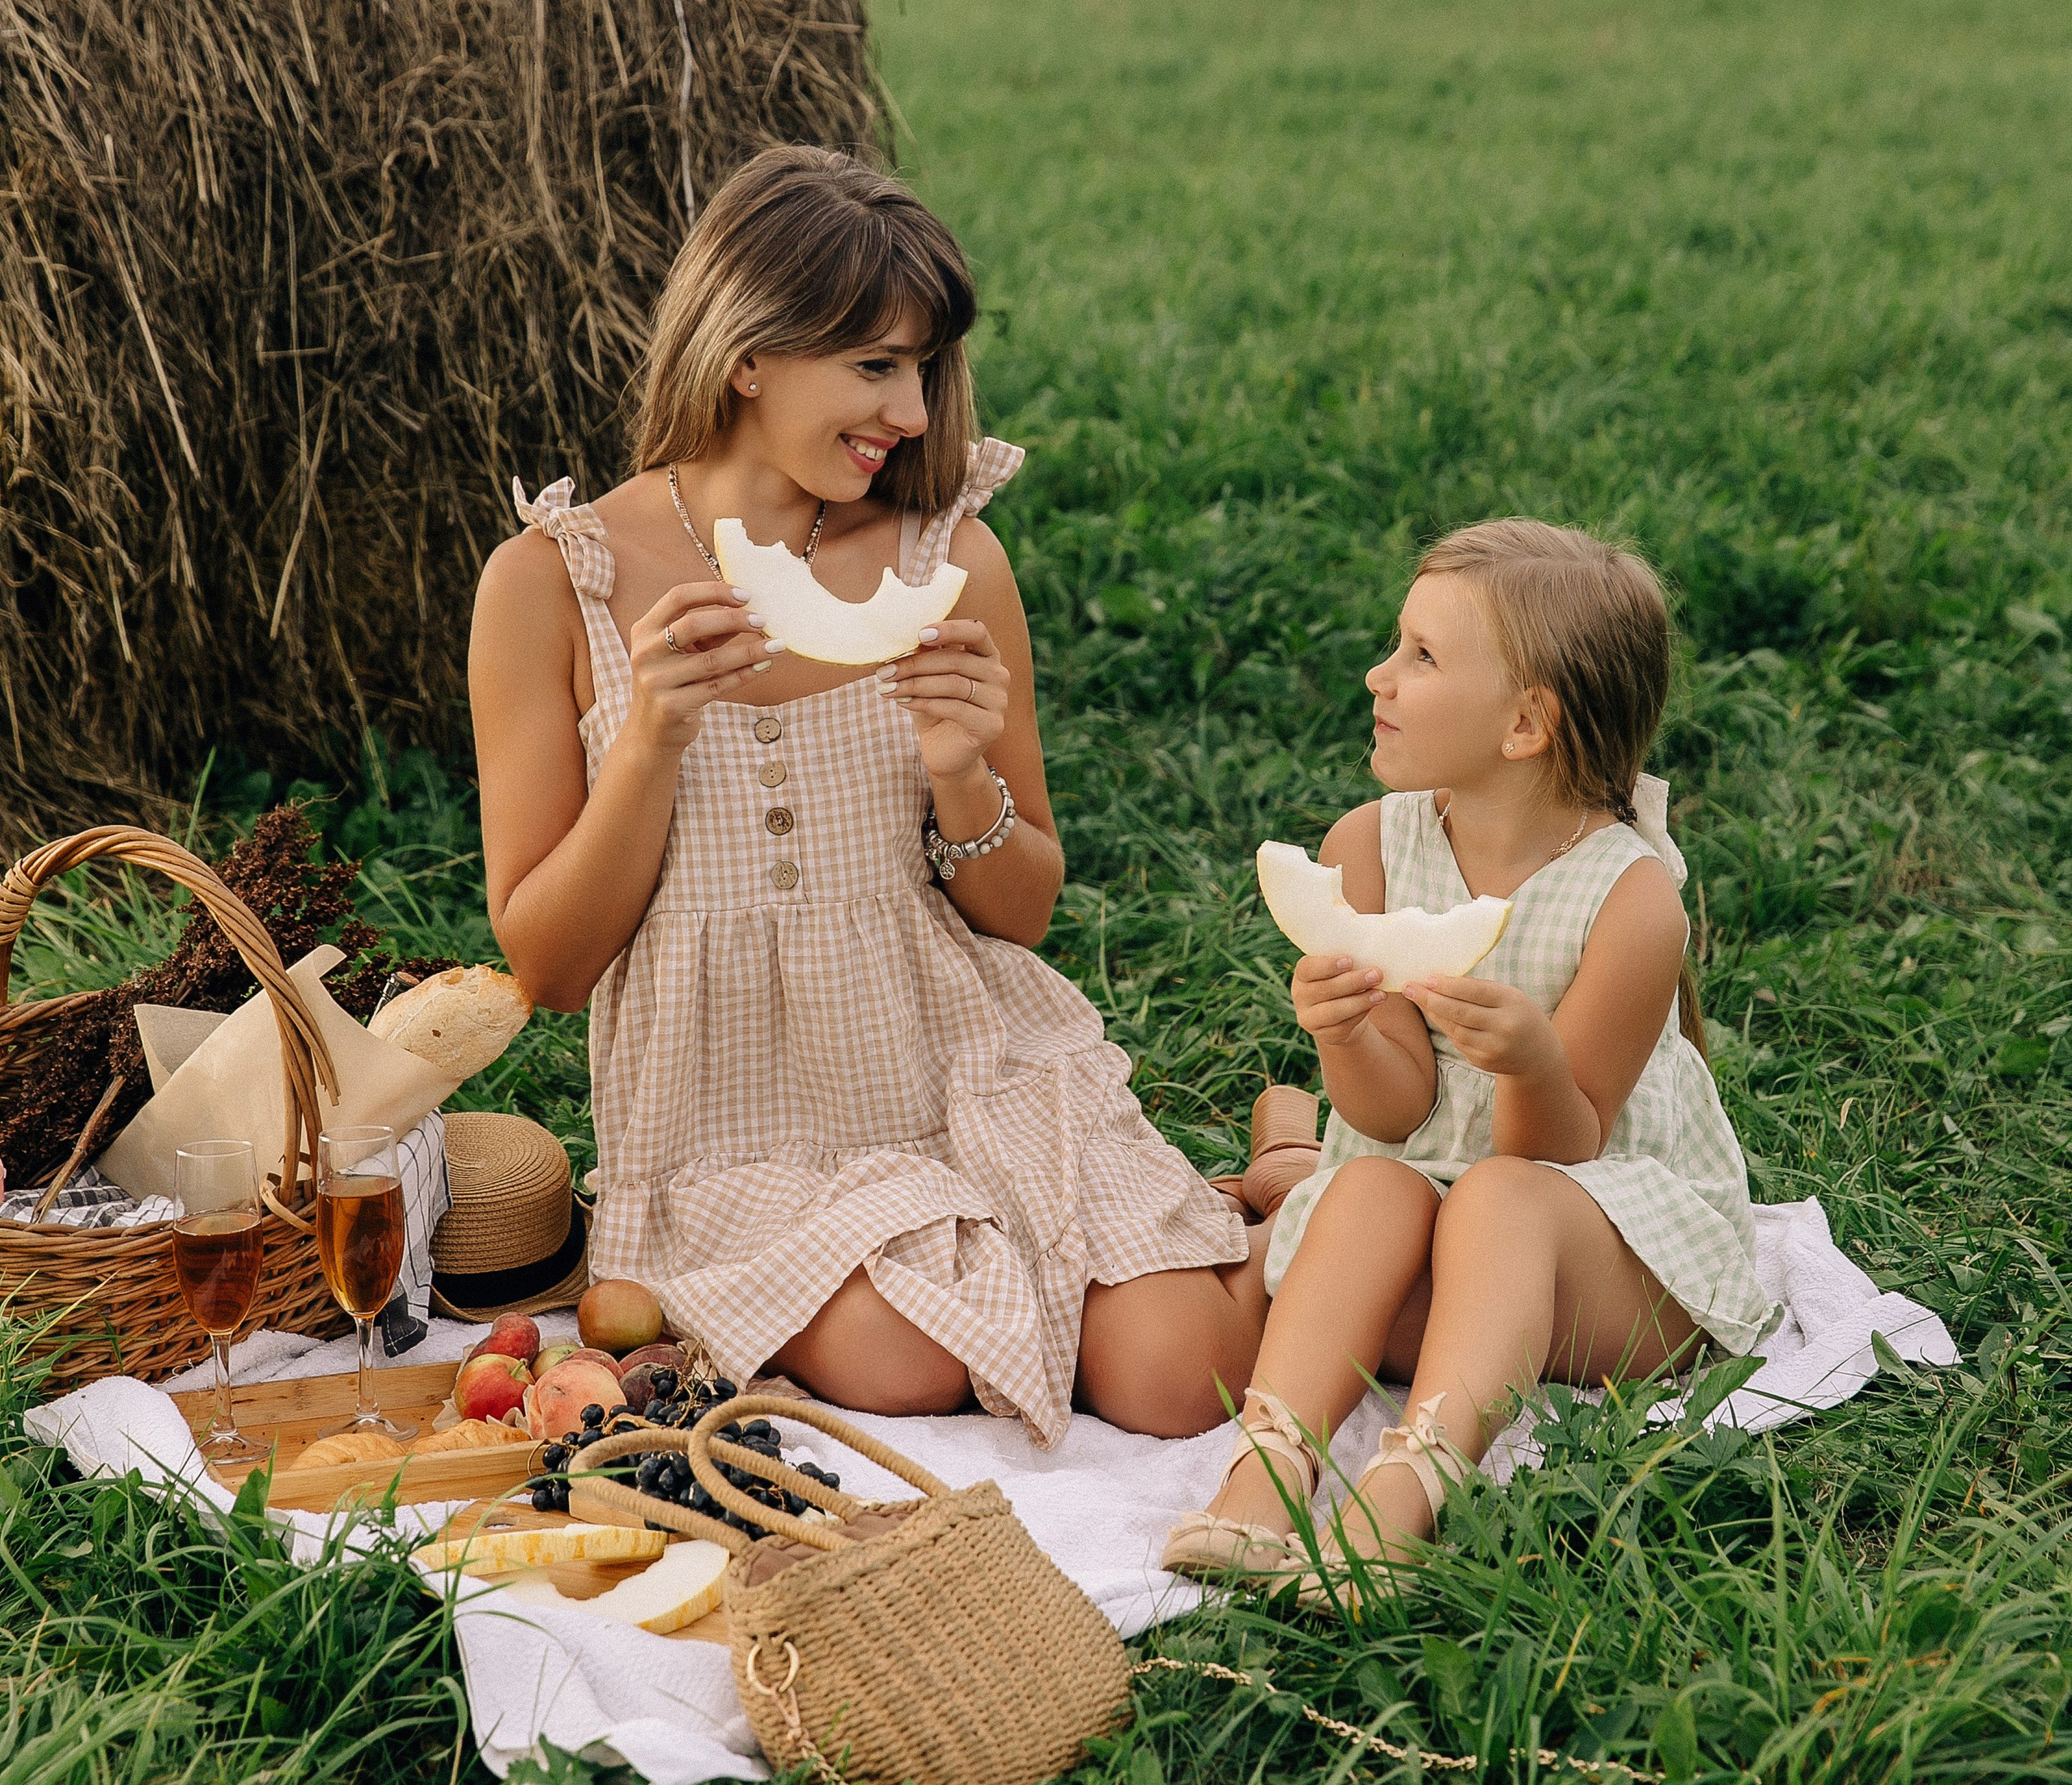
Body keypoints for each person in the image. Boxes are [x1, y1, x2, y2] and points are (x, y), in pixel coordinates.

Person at [469, 145, 1267, 1446]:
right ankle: (1234, 1203)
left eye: (926, 366)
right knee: (909, 1367)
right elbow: (550, 968)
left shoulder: (951, 558)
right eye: (874, 366)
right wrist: (652, 743)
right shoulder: (551, 583)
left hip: (966, 1059)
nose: (910, 409)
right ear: (748, 355)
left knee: (1179, 1380)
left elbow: (1022, 915)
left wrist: (962, 776)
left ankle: (1282, 1189)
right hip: (733, 1126)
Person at [1163, 516, 1768, 1603]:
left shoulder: (1630, 901)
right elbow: (1393, 1117)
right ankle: (1268, 1467)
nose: (1378, 675)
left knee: (1496, 1196)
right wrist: (1346, 1031)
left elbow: (1562, 1149)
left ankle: (1412, 1495)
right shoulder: (1369, 849)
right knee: (1370, 1194)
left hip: (1609, 1263)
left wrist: (1535, 1067)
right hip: (1444, 1243)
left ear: (1527, 724)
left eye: (1421, 658)